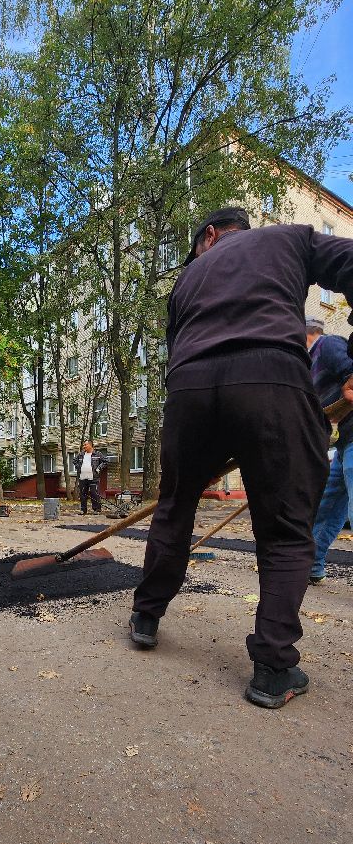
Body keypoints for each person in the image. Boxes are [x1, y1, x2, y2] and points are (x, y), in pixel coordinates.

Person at [128, 208, 353, 709]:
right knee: (286, 529)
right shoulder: (291, 239)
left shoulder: (186, 280)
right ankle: (273, 668)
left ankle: (146, 616)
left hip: (189, 389)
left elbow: (174, 348)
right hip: (269, 377)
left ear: (209, 236)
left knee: (174, 507)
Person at [305, 316, 353, 584]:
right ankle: (311, 565)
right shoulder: (308, 363)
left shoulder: (328, 345)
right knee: (328, 504)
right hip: (345, 439)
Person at [73, 441, 108, 514]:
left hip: (93, 478)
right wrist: (79, 468)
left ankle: (97, 510)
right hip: (82, 477)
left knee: (94, 493)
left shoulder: (97, 454)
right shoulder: (81, 454)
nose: (84, 446)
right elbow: (74, 461)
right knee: (83, 494)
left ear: (90, 445)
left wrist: (99, 468)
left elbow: (105, 461)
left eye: (85, 445)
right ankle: (83, 510)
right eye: (84, 445)